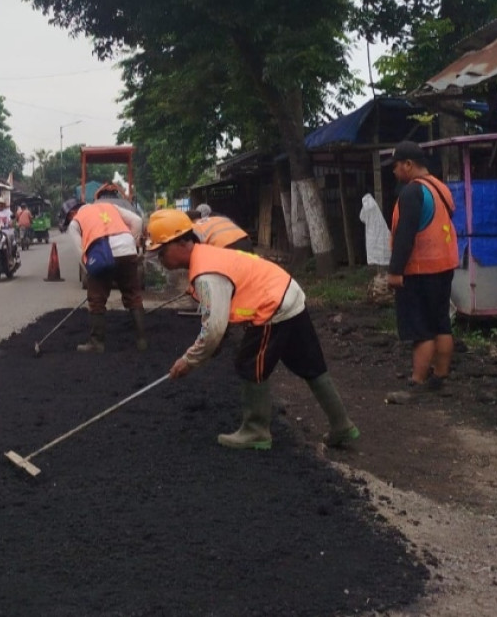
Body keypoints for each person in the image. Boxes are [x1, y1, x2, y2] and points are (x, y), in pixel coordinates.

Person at [146, 208, 359, 450]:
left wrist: (189, 361)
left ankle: (255, 430)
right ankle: (341, 424)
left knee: (250, 364)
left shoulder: (206, 273)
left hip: (271, 306)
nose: (161, 261)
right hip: (288, 292)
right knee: (309, 363)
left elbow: (214, 329)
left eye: (161, 252)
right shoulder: (207, 254)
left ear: (182, 242)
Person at [385, 140, 459, 403]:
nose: (393, 171)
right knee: (441, 323)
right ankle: (440, 377)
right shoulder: (440, 188)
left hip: (419, 269)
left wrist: (395, 272)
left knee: (420, 328)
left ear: (408, 164)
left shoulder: (412, 192)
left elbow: (405, 235)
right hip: (444, 266)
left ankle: (417, 382)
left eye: (395, 166)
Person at [66, 183, 146, 352]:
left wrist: (90, 272)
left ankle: (97, 343)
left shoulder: (77, 220)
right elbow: (138, 220)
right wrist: (132, 242)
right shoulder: (112, 207)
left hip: (102, 254)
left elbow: (81, 252)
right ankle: (141, 341)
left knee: (96, 299)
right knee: (133, 295)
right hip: (127, 249)